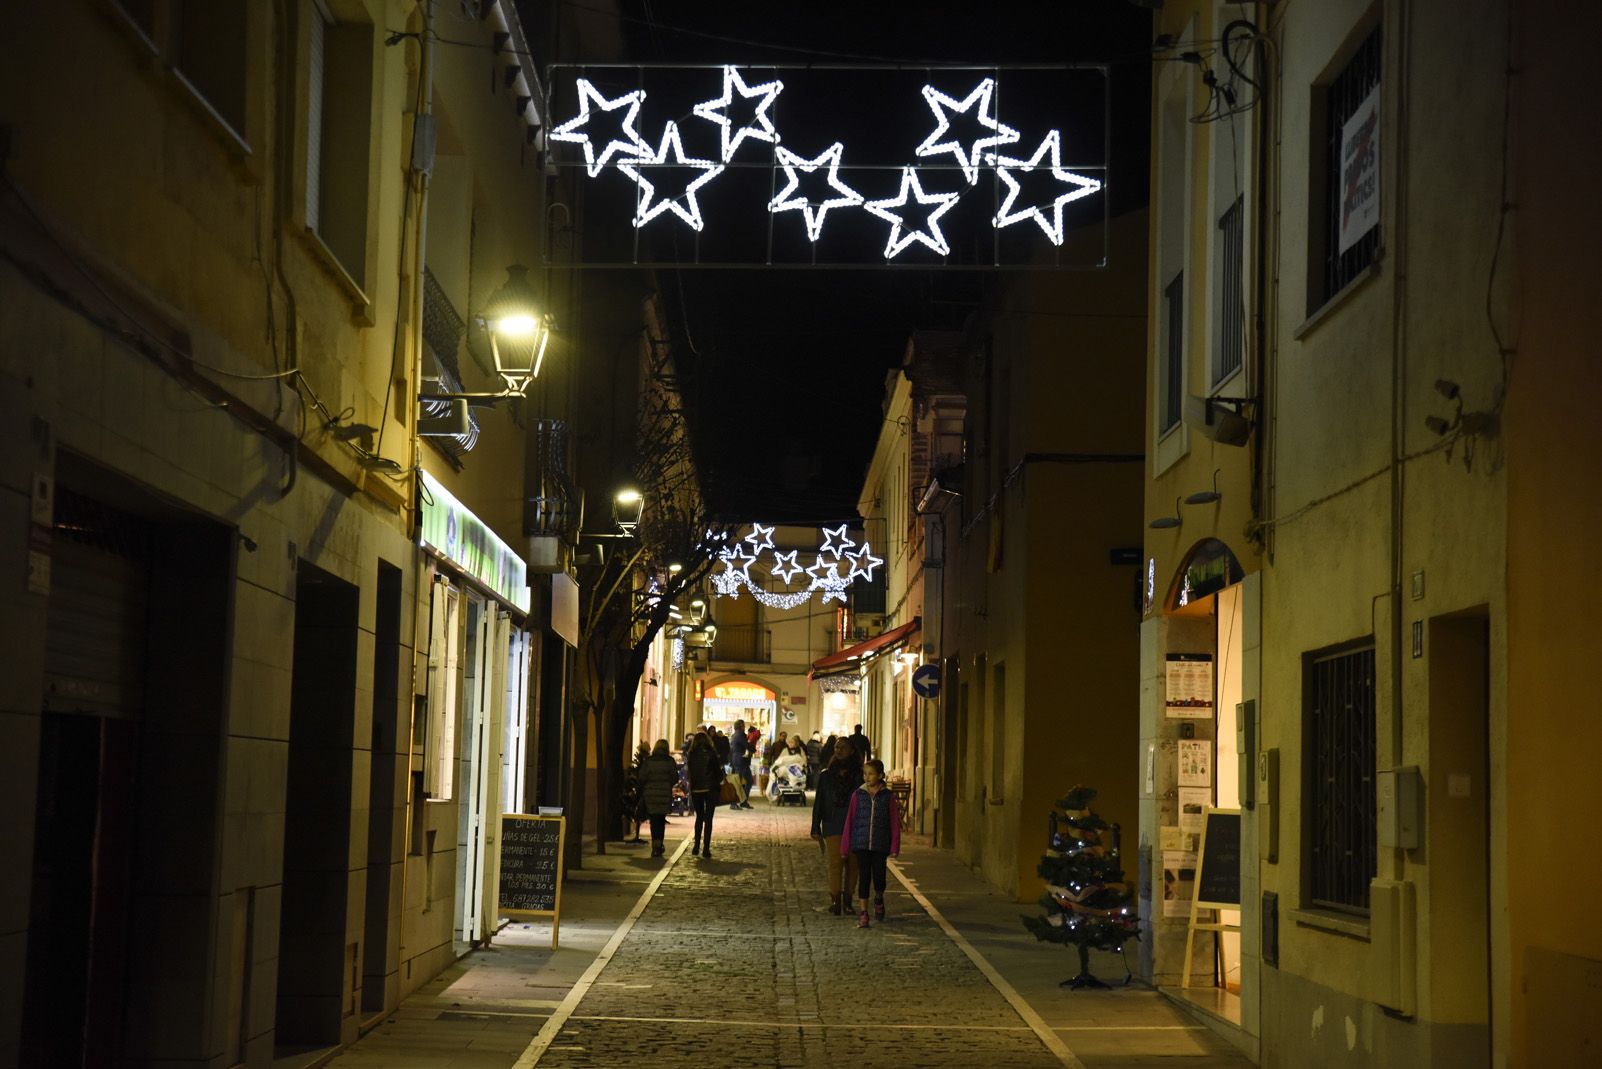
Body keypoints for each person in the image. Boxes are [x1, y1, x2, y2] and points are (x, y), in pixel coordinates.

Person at [842, 758, 900, 928]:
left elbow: (894, 823)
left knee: (879, 878)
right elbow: (850, 820)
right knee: (864, 878)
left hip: (880, 844)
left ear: (880, 775)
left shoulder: (888, 797)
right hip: (861, 843)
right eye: (865, 774)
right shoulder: (857, 795)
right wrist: (845, 846)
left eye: (871, 774)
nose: (867, 777)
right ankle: (864, 913)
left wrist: (894, 846)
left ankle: (879, 898)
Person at [810, 737, 864, 915]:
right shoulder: (826, 775)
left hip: (855, 824)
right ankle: (836, 900)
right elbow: (819, 801)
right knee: (835, 862)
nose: (839, 750)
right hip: (832, 822)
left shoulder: (860, 775)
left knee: (853, 863)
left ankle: (848, 899)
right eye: (836, 747)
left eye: (843, 748)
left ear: (852, 751)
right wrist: (815, 827)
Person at [685, 730, 722, 859]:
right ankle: (706, 848)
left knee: (699, 817)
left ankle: (696, 846)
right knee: (709, 819)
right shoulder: (711, 753)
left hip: (696, 789)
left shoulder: (691, 754)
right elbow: (718, 772)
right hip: (710, 789)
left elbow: (689, 772)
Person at [640, 740, 679, 857]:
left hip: (650, 794)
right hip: (664, 794)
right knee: (661, 820)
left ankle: (655, 845)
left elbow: (642, 776)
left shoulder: (649, 761)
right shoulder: (670, 761)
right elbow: (675, 777)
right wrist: (667, 784)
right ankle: (659, 844)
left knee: (654, 820)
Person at [624, 742, 651, 843]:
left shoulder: (644, 762)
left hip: (641, 789)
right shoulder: (646, 762)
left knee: (640, 811)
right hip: (642, 790)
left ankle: (637, 835)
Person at [728, 720, 753, 809]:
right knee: (737, 782)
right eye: (743, 726)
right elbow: (746, 745)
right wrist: (753, 749)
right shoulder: (739, 735)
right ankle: (733, 803)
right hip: (740, 761)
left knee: (749, 781)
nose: (744, 727)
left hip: (742, 761)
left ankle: (743, 801)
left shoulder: (737, 735)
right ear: (740, 726)